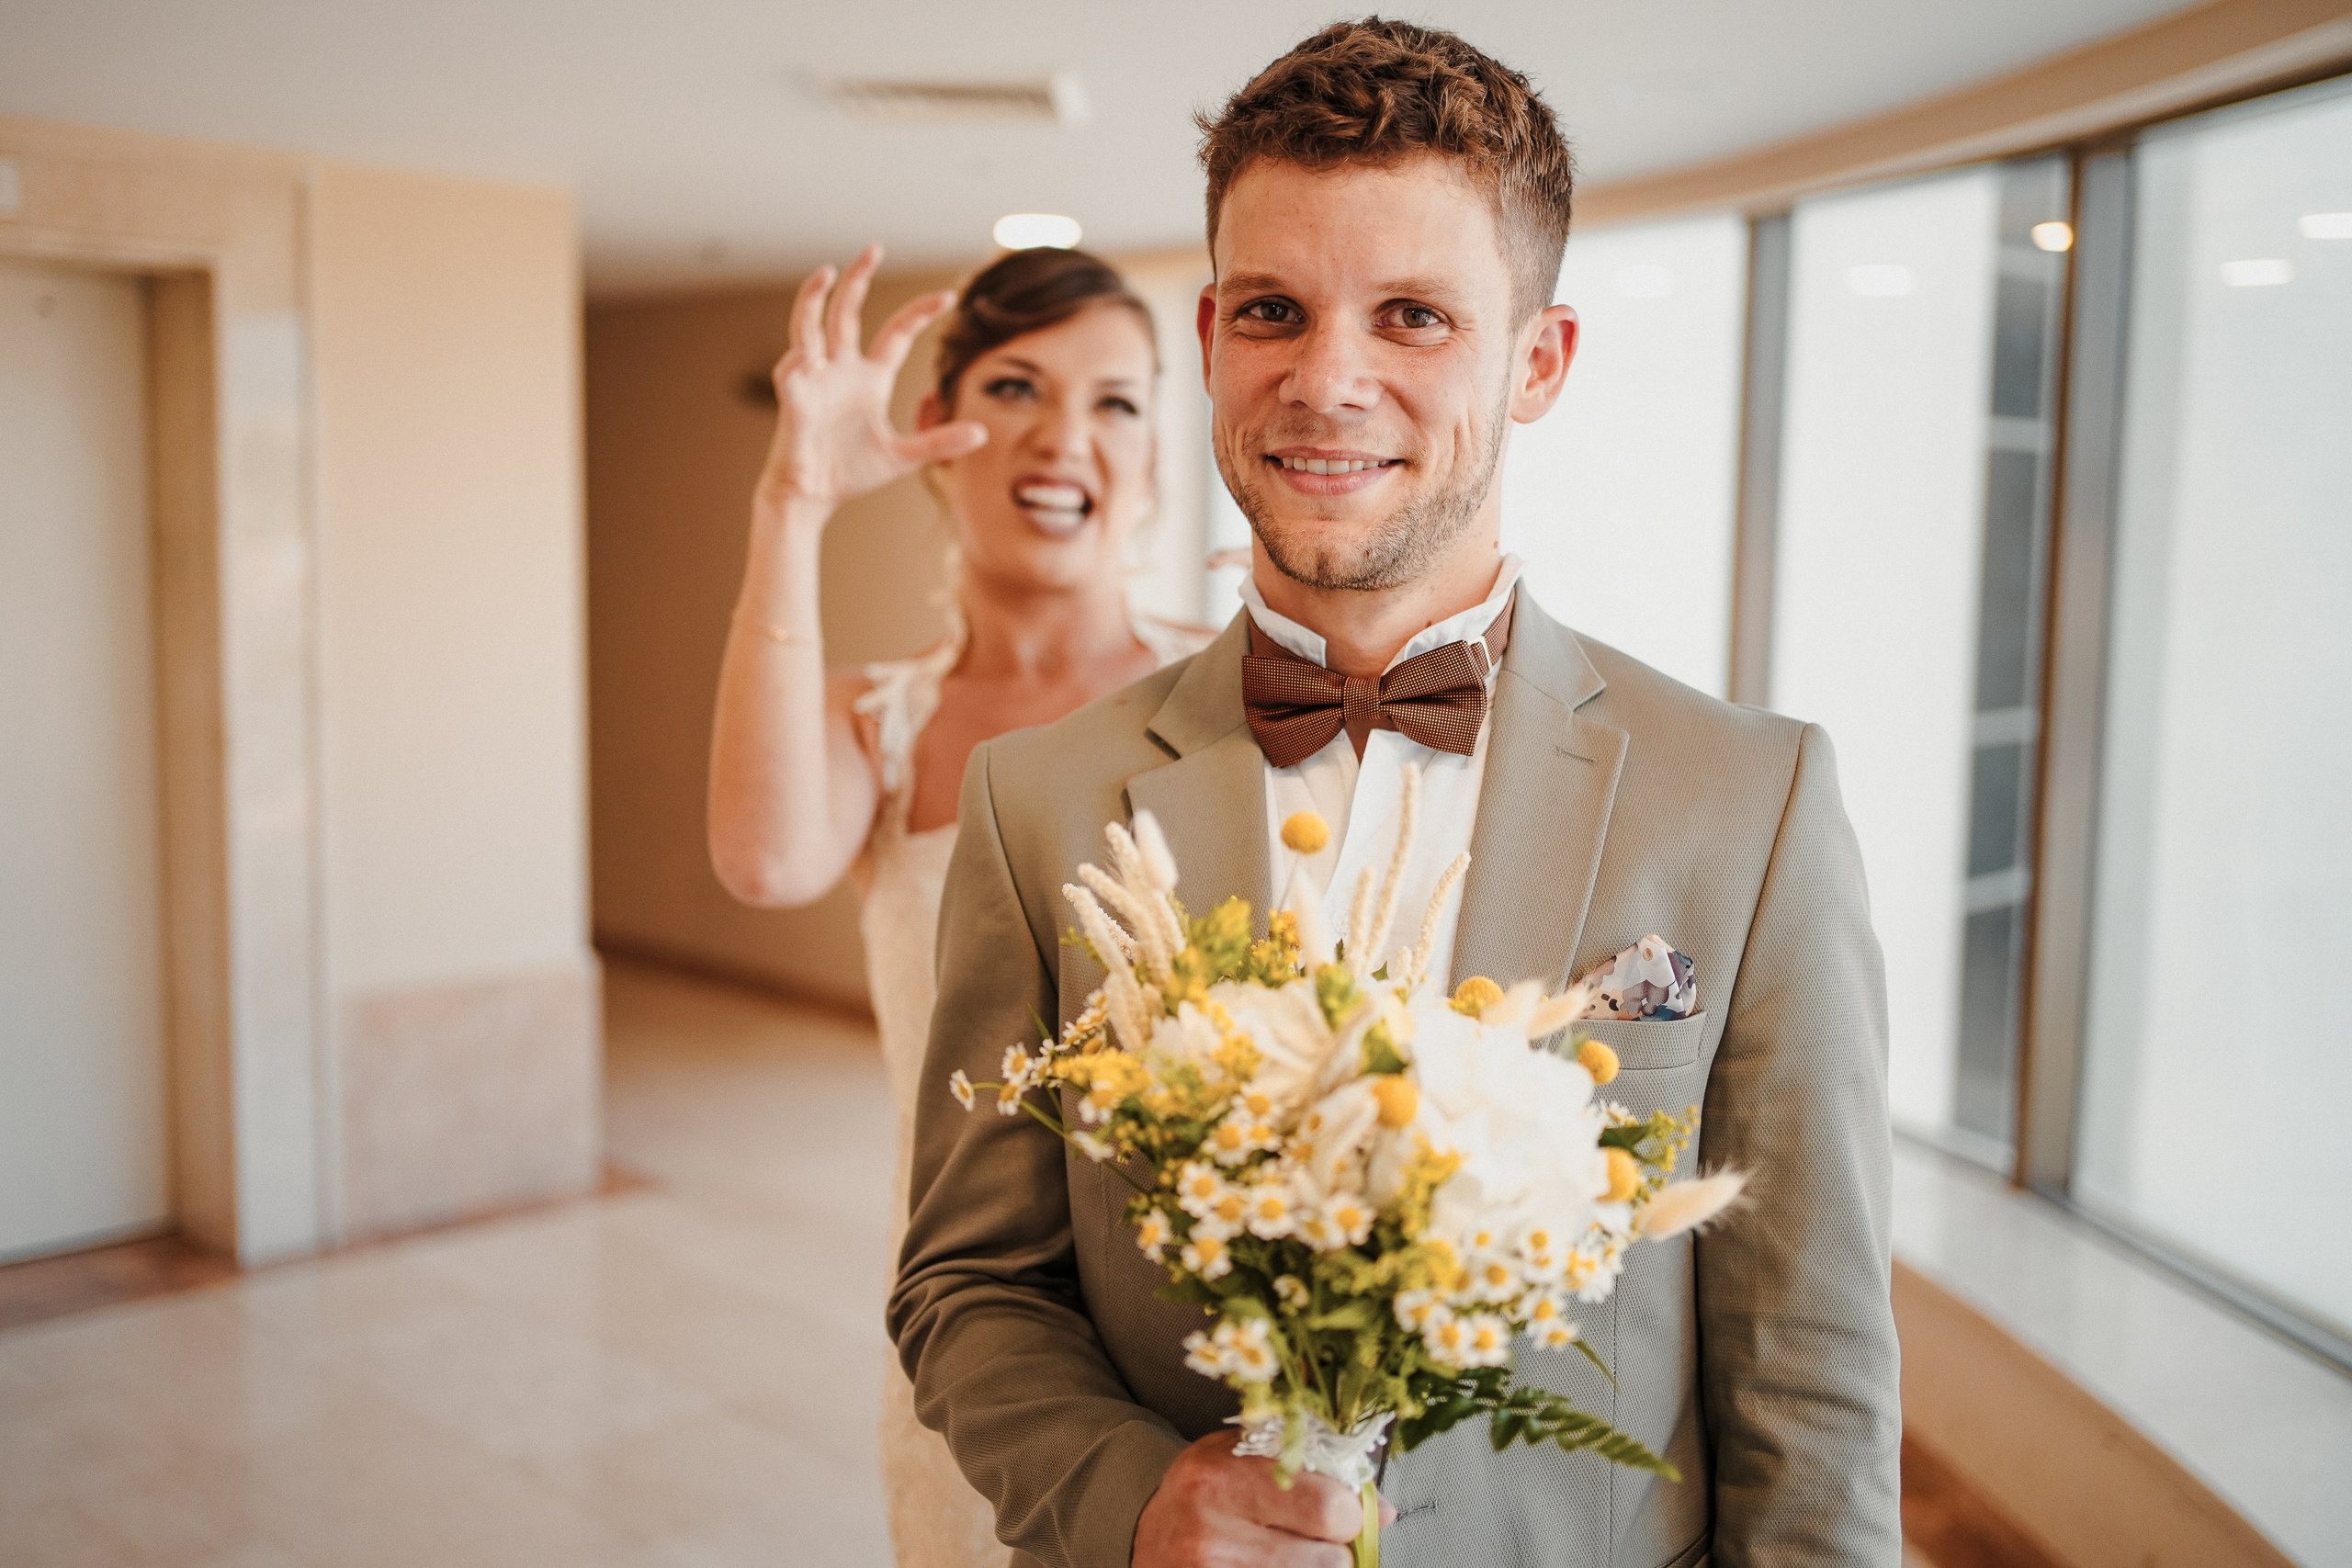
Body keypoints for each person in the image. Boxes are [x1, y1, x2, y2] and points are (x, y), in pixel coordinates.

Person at [890, 19, 1902, 1568]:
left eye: (1415, 315)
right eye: (1276, 313)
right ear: (1218, 332)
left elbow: (1812, 1374)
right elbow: (968, 1289)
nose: (1327, 380)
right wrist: (1131, 1501)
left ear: (1538, 361)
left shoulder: (1750, 803)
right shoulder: (1039, 804)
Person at [707, 243, 1211, 1567]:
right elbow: (764, 862)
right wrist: (793, 501)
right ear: (937, 438)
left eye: (1116, 401)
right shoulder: (879, 725)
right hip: (975, 1316)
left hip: (1221, 1312)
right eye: (1018, 387)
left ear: (1156, 453)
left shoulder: (1232, 696)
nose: (1067, 436)